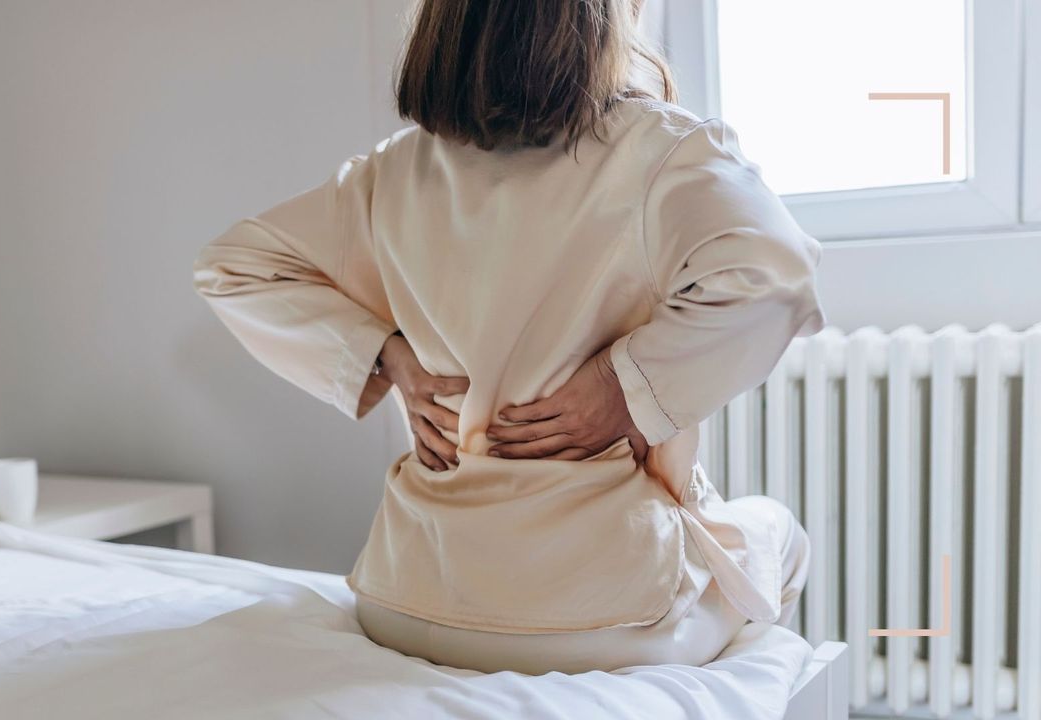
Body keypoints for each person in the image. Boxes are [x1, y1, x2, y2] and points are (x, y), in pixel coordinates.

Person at [193, 0, 823, 675]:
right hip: (596, 619)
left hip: (403, 602)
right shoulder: (666, 151)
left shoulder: (392, 172)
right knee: (779, 535)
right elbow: (777, 277)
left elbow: (232, 267)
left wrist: (385, 357)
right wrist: (624, 386)